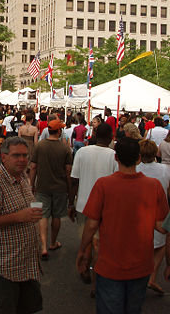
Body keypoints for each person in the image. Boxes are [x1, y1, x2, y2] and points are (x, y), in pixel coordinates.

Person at [76, 138, 169, 314]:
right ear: (138, 159)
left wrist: (82, 250)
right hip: (141, 266)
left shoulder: (104, 185)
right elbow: (163, 227)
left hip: (110, 265)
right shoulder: (154, 186)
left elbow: (91, 225)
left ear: (116, 158)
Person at [0, 137, 43, 314]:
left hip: (25, 265)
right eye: (16, 155)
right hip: (2, 268)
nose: (22, 159)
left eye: (25, 155)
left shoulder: (22, 178)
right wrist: (18, 217)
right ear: (4, 157)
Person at [68, 123, 117, 291]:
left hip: (83, 203)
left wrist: (70, 202)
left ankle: (84, 268)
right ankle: (97, 280)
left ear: (94, 134)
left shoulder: (82, 152)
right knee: (99, 244)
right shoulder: (114, 155)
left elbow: (74, 180)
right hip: (106, 206)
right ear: (111, 137)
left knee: (86, 240)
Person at [29, 119, 72, 258]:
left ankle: (43, 246)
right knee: (56, 216)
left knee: (43, 215)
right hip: (60, 187)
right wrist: (70, 190)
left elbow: (33, 167)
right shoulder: (65, 148)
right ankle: (53, 242)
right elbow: (68, 171)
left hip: (42, 186)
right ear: (59, 131)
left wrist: (31, 184)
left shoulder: (40, 146)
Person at [136, 139, 170, 294]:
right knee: (160, 245)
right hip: (159, 212)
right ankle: (152, 276)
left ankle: (138, 276)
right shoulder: (164, 170)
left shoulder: (134, 168)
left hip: (137, 211)